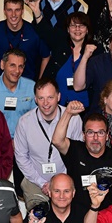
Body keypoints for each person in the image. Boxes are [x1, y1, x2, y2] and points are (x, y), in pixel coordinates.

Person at [14, 78, 83, 210]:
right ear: (35, 99)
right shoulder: (24, 122)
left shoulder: (73, 119)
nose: (45, 103)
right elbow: (21, 157)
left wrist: (59, 182)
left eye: (50, 97)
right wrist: (41, 182)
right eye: (41, 98)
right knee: (38, 219)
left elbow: (77, 154)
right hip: (35, 180)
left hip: (66, 178)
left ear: (58, 96)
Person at [52, 101, 112, 211]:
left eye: (100, 133)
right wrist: (68, 113)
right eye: (90, 133)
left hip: (105, 217)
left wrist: (108, 218)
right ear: (83, 136)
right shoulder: (75, 151)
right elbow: (57, 140)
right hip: (76, 215)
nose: (95, 138)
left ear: (107, 136)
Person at [0, 0, 51, 81]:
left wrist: (41, 81)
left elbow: (46, 56)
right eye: (9, 10)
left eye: (17, 10)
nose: (13, 14)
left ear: (22, 11)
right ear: (4, 11)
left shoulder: (34, 31)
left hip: (28, 85)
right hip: (3, 84)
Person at [33, 11, 93, 106]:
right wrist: (36, 10)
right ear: (68, 29)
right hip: (58, 107)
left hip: (84, 108)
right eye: (73, 25)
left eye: (81, 26)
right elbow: (45, 31)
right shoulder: (60, 46)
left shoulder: (94, 52)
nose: (77, 29)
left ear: (87, 30)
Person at [0, 48, 37, 137]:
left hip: (25, 139)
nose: (17, 71)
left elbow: (36, 118)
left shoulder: (31, 87)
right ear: (2, 65)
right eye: (12, 65)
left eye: (20, 66)